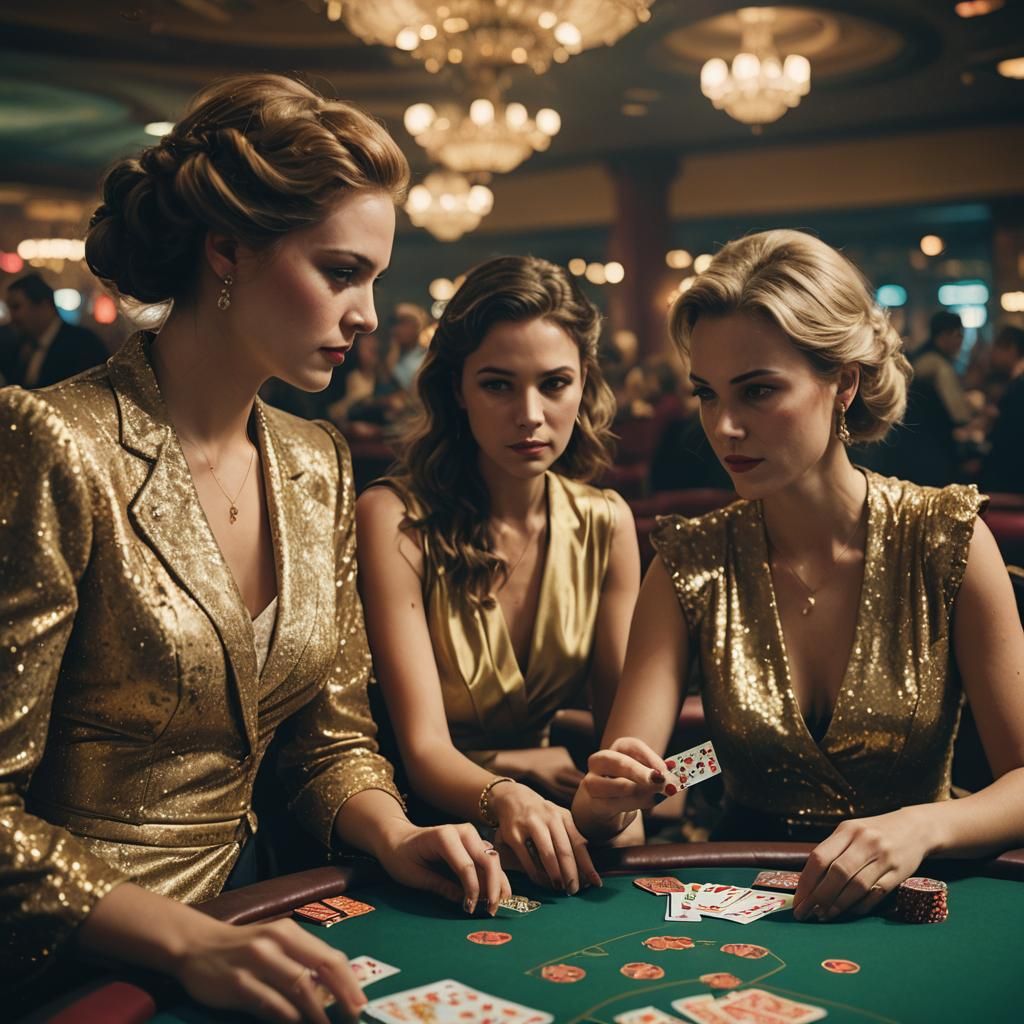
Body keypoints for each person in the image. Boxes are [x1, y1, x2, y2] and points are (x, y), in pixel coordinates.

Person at [0, 74, 510, 1022]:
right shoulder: (53, 443)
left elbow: (330, 737)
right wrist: (189, 939)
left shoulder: (317, 460)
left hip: (273, 913)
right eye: (342, 272)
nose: (367, 315)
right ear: (226, 250)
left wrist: (394, 835)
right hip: (84, 957)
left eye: (374, 279)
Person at [573, 229, 1024, 923]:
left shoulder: (948, 539)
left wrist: (921, 826)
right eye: (707, 393)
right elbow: (627, 787)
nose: (723, 426)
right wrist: (604, 801)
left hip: (917, 902)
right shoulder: (688, 560)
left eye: (757, 392)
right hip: (738, 905)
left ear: (843, 382)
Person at [356, 255, 641, 896]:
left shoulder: (607, 521)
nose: (530, 414)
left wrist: (619, 804)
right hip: (424, 836)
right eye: (498, 385)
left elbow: (621, 733)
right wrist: (507, 785)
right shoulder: (393, 517)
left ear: (584, 383)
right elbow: (425, 752)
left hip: (562, 827)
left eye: (554, 383)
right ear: (457, 389)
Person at [4, 272, 110, 388]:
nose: (12, 317)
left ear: (44, 306)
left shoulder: (83, 344)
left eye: (16, 307)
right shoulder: (19, 345)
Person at [981, 324, 1024, 493]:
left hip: (1012, 475)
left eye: (996, 348)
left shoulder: (1019, 386)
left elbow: (1009, 435)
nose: (992, 354)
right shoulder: (1016, 382)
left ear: (1011, 349)